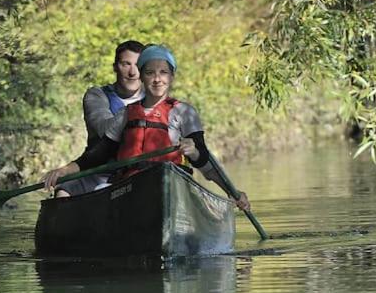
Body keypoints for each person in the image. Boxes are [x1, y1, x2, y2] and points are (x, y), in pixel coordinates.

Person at [43, 44, 250, 211]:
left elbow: (205, 162)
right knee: (99, 189)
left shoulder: (185, 113)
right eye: (150, 73)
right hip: (130, 189)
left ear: (172, 76)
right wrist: (64, 170)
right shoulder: (126, 114)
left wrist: (230, 189)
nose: (157, 79)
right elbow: (97, 155)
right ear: (142, 77)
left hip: (173, 189)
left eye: (163, 72)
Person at [57, 39, 144, 197]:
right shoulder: (97, 95)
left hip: (138, 173)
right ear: (115, 67)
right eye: (126, 64)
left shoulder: (156, 100)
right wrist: (136, 109)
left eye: (138, 65)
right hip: (98, 171)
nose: (133, 72)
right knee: (63, 191)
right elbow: (105, 130)